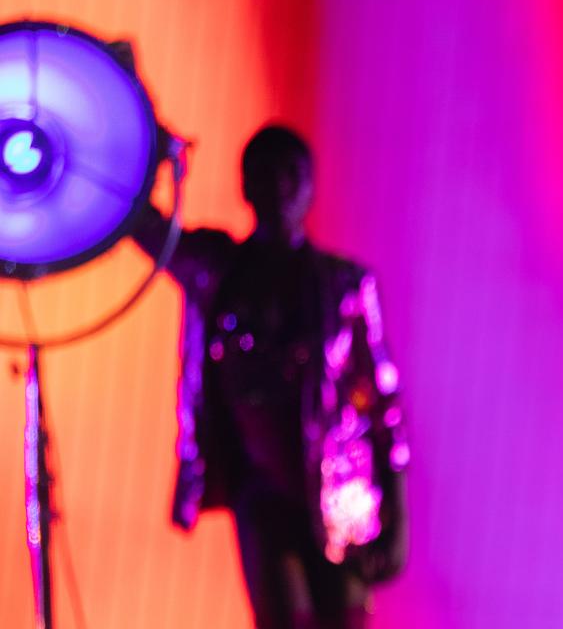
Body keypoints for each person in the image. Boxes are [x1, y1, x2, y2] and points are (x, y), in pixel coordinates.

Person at [133, 125, 409, 628]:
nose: (279, 186)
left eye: (291, 174)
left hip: (339, 492)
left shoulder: (345, 284)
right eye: (265, 173)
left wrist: (397, 519)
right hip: (260, 488)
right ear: (245, 185)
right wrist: (148, 143)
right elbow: (147, 228)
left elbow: (383, 406)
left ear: (310, 184)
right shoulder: (216, 269)